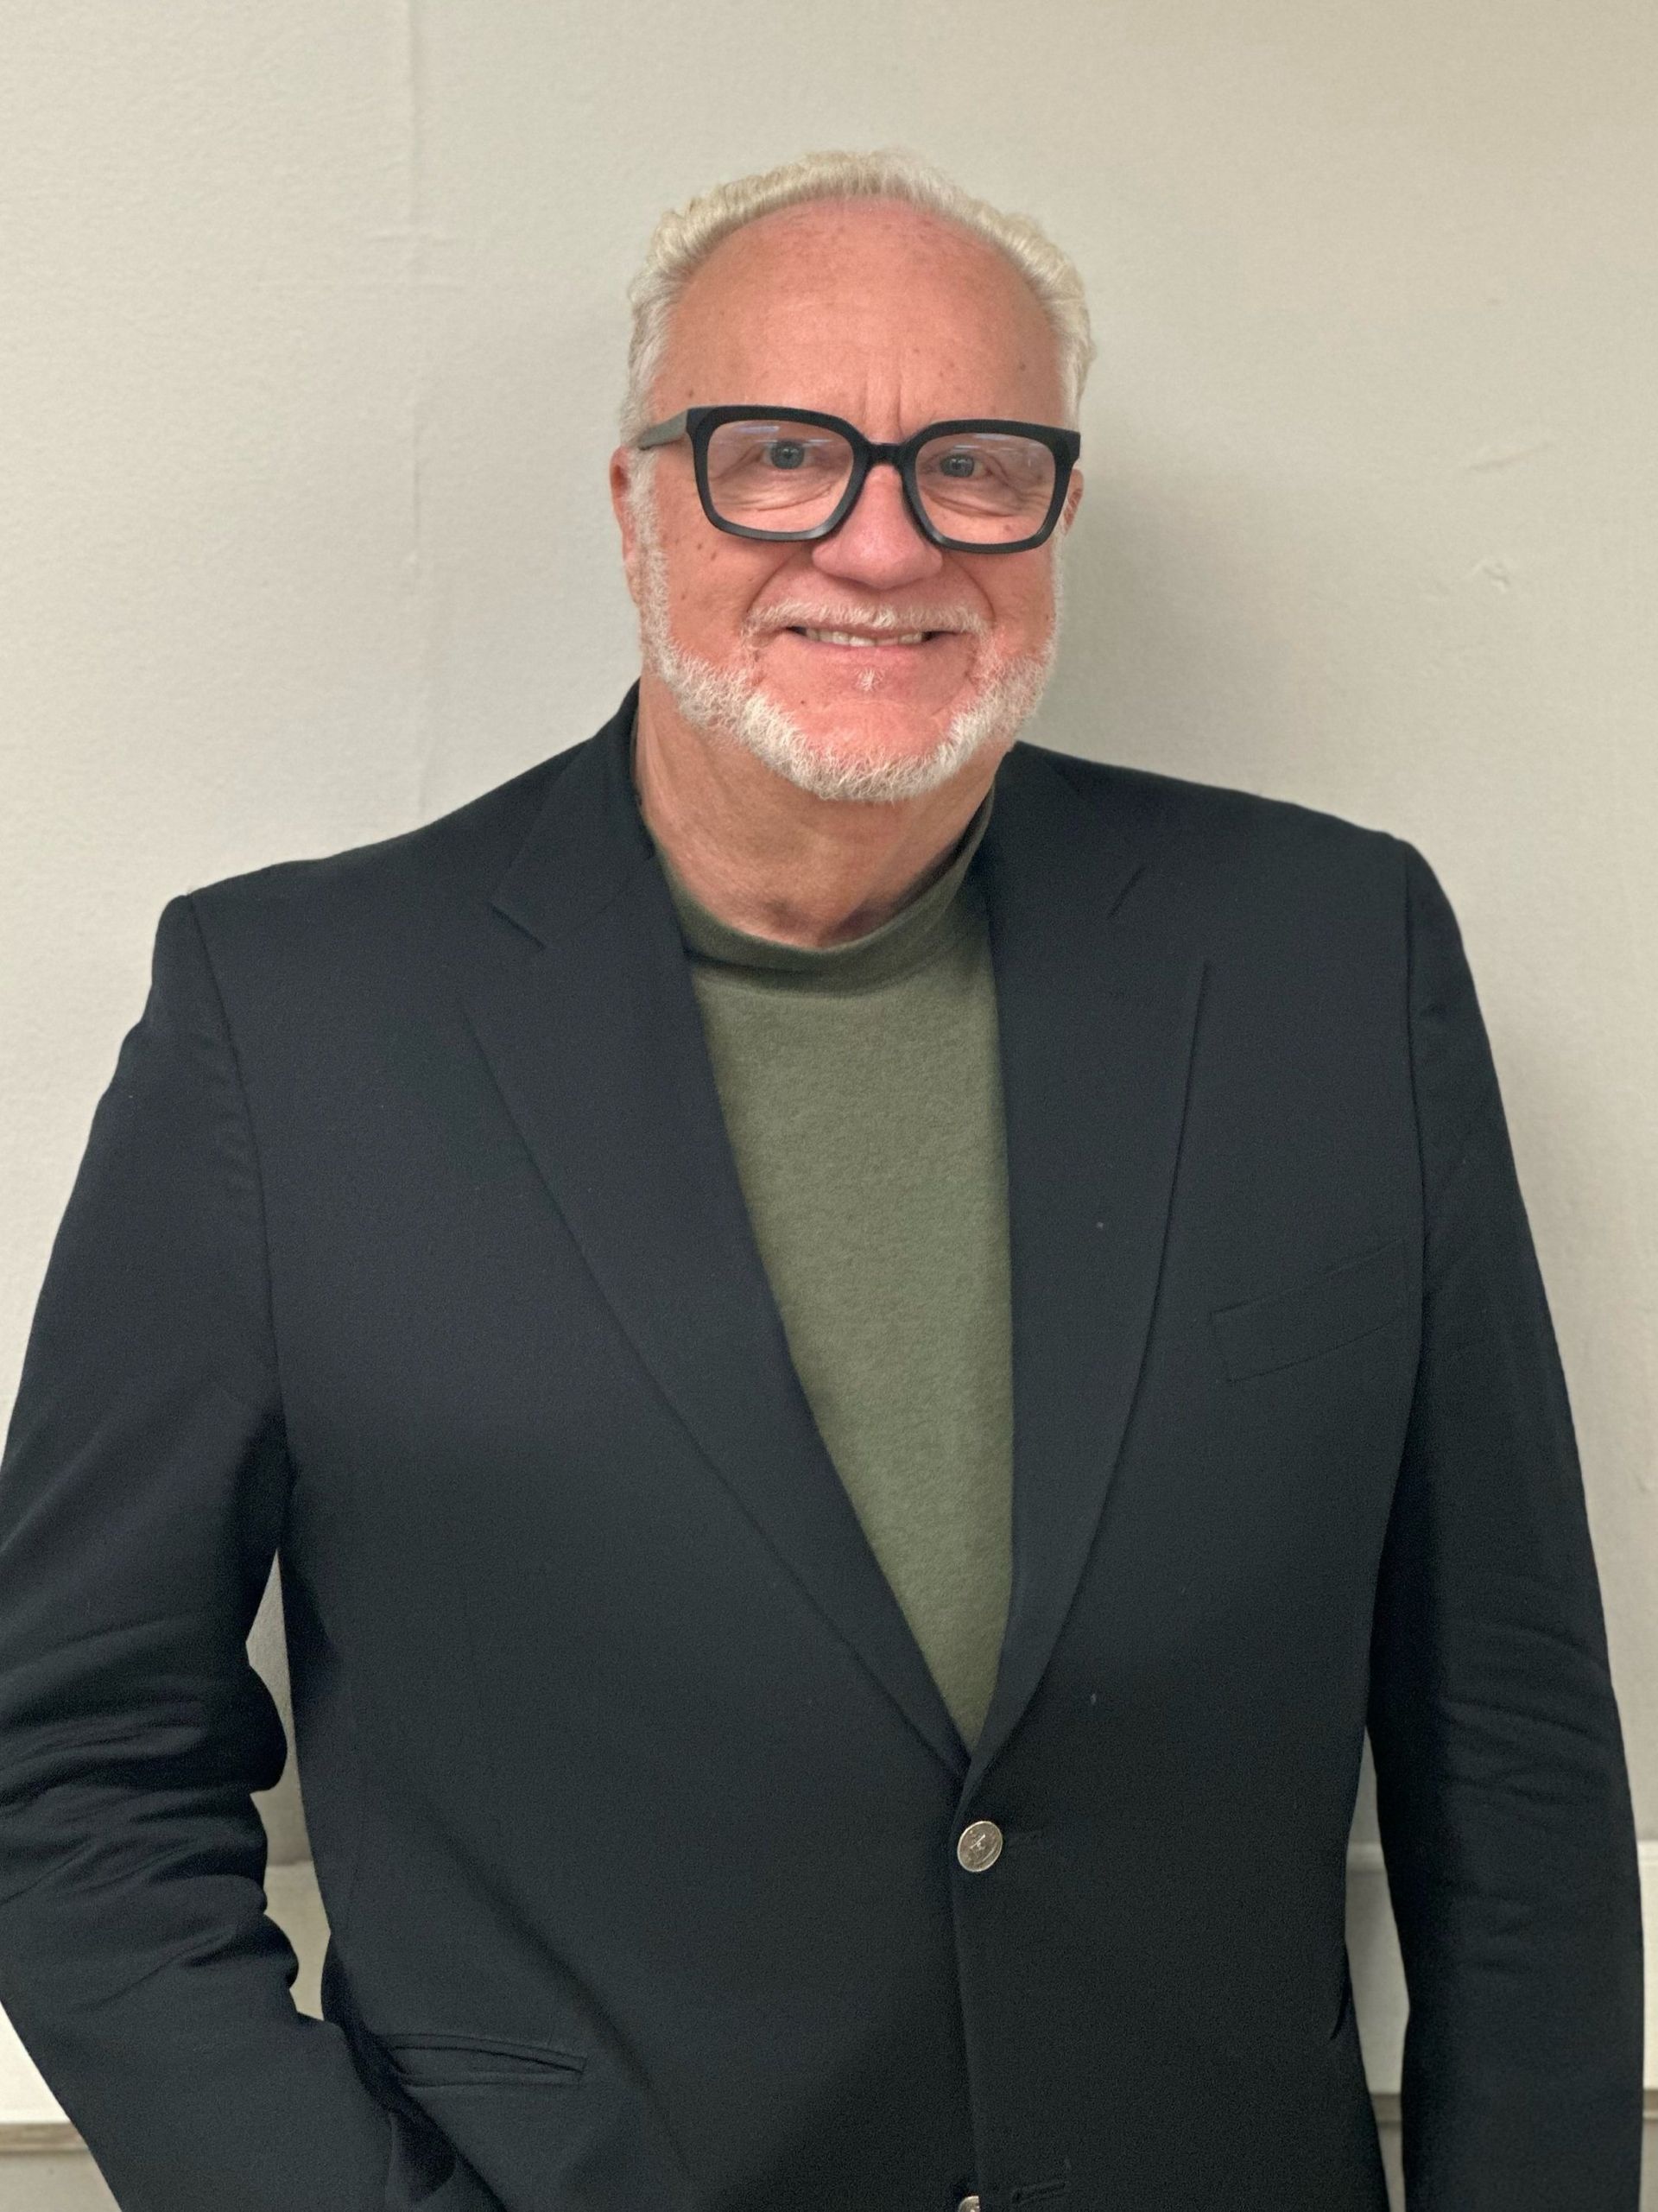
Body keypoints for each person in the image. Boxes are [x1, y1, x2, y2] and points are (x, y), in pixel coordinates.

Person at [0, 146, 1642, 2212]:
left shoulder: (1333, 959)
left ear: (1052, 513)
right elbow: (62, 1775)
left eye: (973, 463)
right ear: (637, 505)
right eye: (780, 453)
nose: (881, 545)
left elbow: (1513, 1746)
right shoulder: (291, 1020)